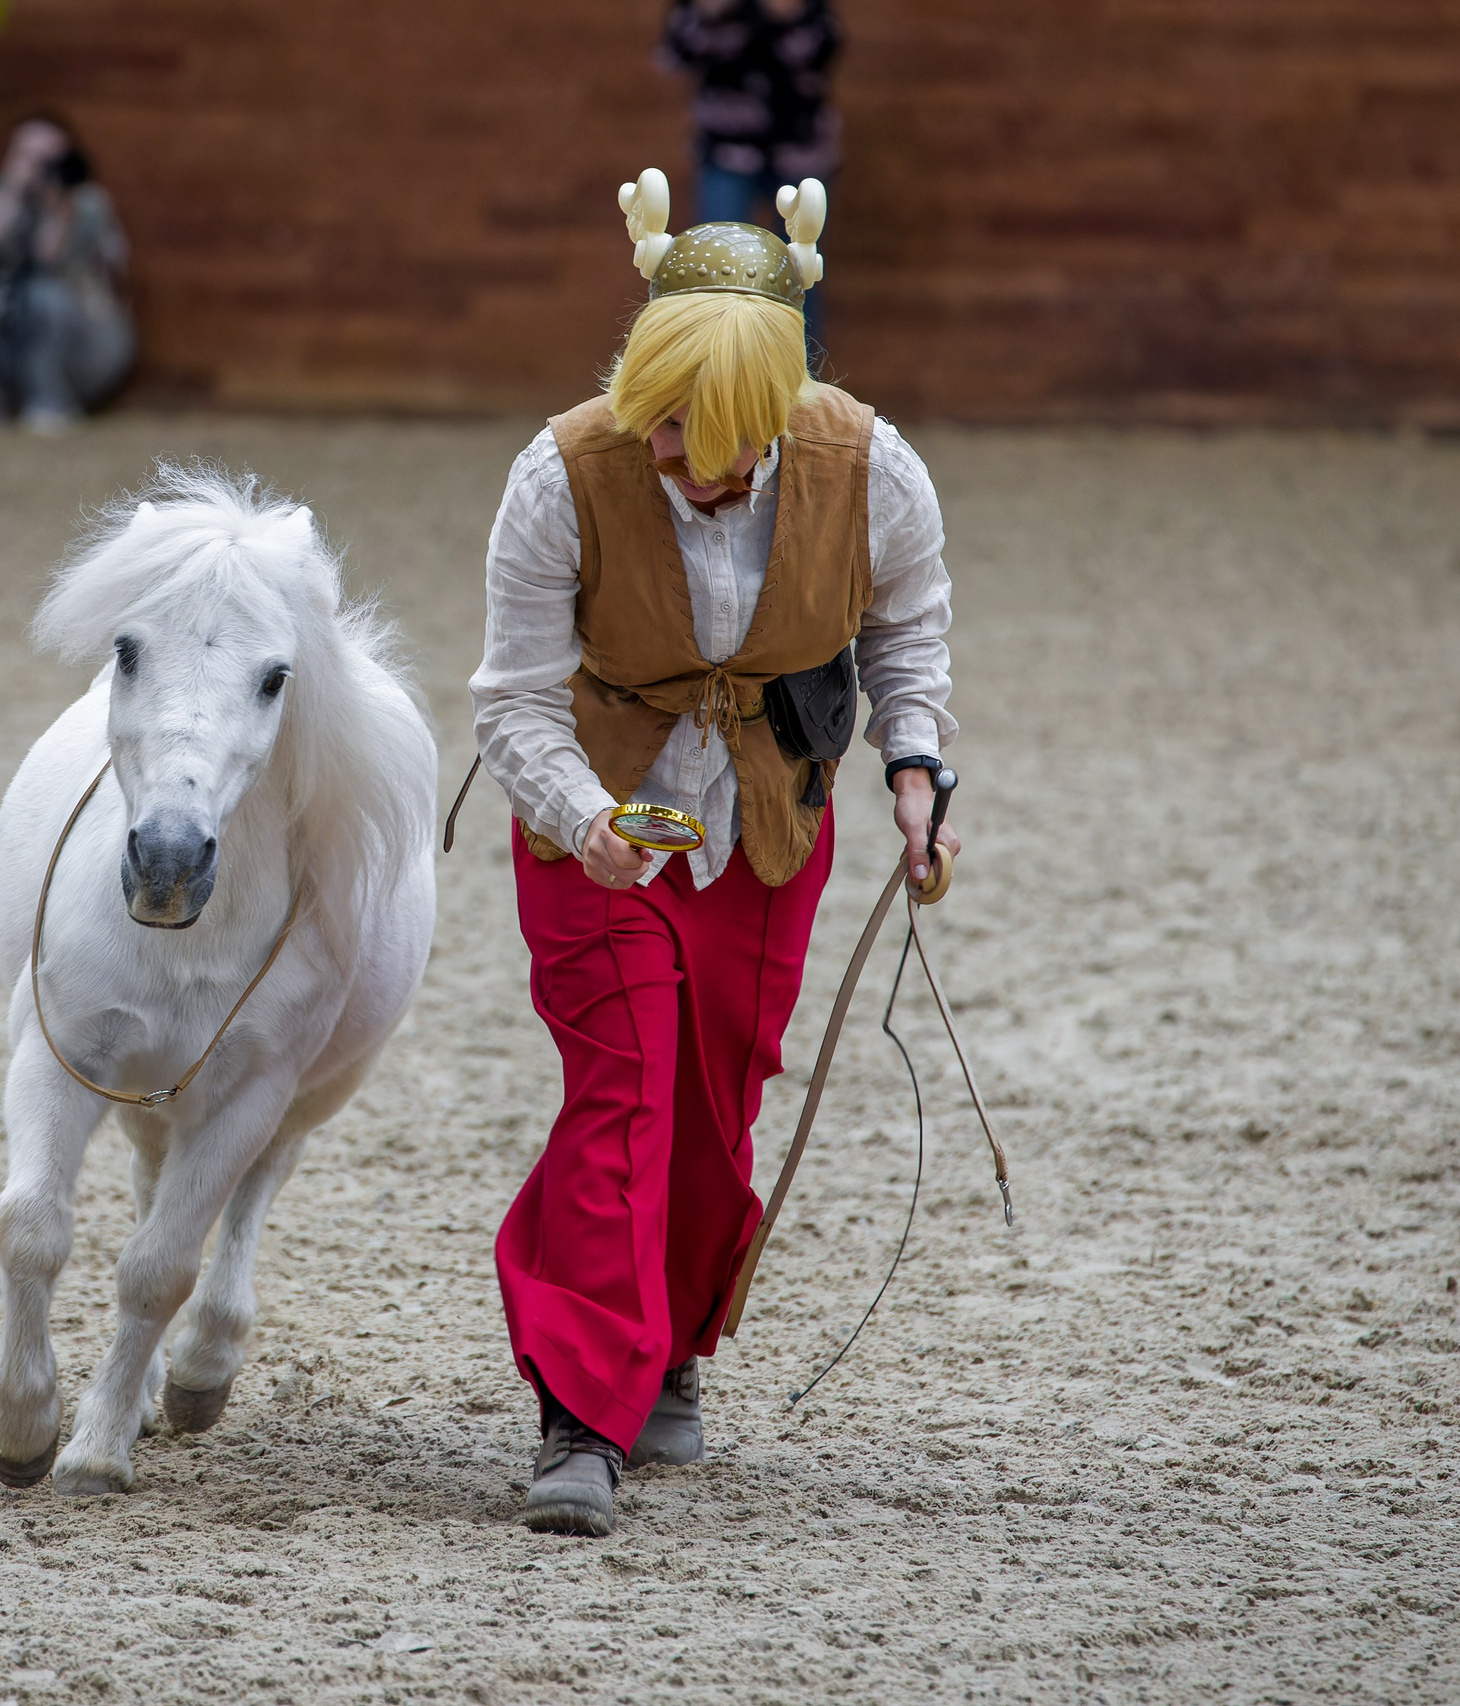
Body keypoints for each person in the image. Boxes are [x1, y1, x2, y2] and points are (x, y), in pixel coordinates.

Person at [468, 171, 958, 1538]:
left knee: (718, 1095)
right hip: (600, 813)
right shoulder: (560, 473)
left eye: (719, 439)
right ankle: (581, 1410)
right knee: (622, 1088)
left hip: (768, 820)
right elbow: (510, 696)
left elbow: (908, 631)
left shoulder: (871, 466)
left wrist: (915, 767)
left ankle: (673, 1335)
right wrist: (584, 821)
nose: (688, 459)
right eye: (667, 424)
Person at [0, 115, 134, 433]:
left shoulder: (87, 202)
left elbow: (50, 260)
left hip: (83, 342)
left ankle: (51, 404)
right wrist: (10, 193)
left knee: (45, 293)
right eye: (24, 155)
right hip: (13, 331)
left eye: (46, 157)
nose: (35, 166)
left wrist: (57, 205)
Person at [656, 0, 843, 360]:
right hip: (726, 148)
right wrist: (710, 13)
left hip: (798, 148)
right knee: (714, 266)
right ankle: (720, 368)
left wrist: (788, 13)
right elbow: (676, 54)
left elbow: (822, 50)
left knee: (803, 268)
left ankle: (802, 377)